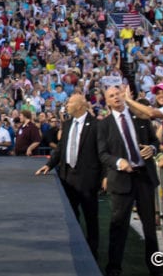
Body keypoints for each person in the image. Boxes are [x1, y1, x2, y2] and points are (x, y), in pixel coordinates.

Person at [97, 85, 162, 276]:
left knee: (149, 226)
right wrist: (118, 162)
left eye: (118, 94)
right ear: (106, 101)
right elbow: (102, 154)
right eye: (111, 96)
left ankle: (155, 267)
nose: (116, 97)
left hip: (144, 177)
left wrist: (153, 149)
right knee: (118, 225)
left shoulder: (140, 118)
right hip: (121, 179)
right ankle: (114, 268)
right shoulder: (104, 125)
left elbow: (155, 141)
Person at [36, 93, 102, 258]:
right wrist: (49, 164)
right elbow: (60, 148)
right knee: (71, 216)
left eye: (70, 102)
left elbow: (102, 152)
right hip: (68, 177)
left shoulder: (95, 125)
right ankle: (75, 246)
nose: (67, 105)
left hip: (88, 179)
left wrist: (104, 176)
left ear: (80, 105)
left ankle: (93, 251)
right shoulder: (67, 123)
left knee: (91, 217)